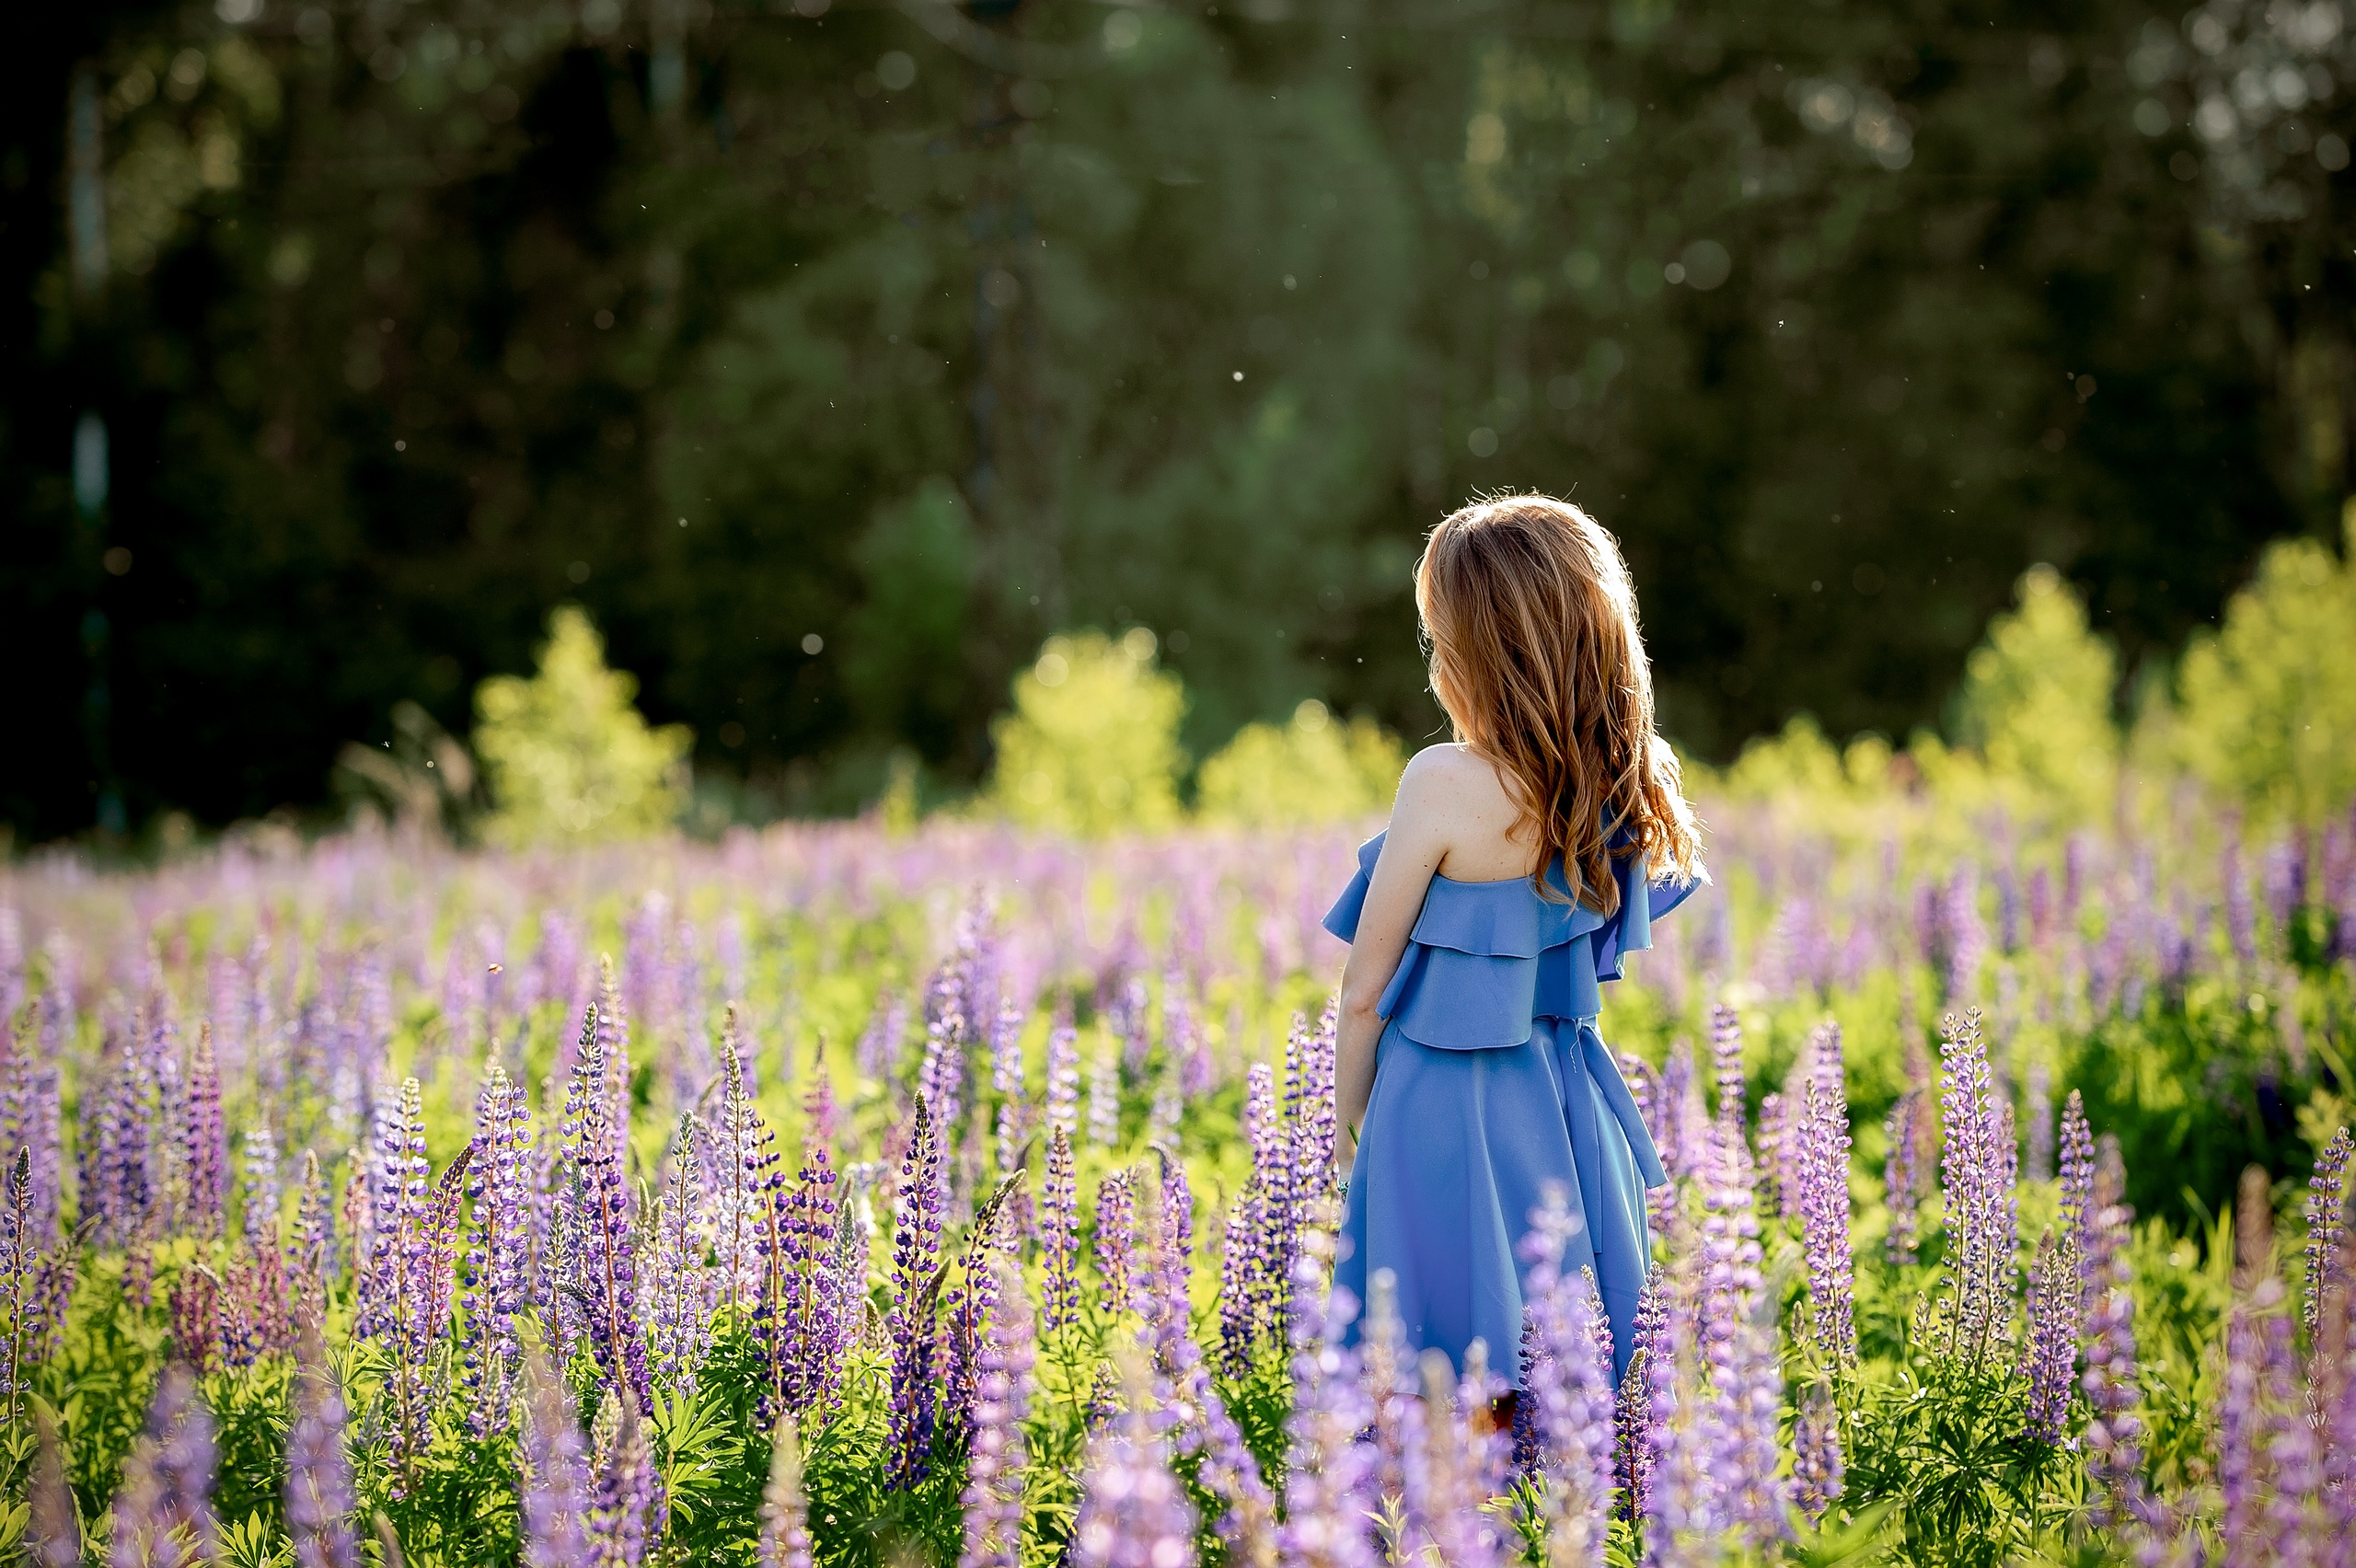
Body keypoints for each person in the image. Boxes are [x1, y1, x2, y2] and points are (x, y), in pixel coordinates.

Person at [1323, 492, 1706, 1388]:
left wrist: (1352, 1132)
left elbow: (1363, 992)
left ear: (1473, 652)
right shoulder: (1625, 785)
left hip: (1437, 1114)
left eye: (1435, 638)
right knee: (1575, 1379)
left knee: (1438, 1381)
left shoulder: (1441, 782)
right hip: (1569, 1107)